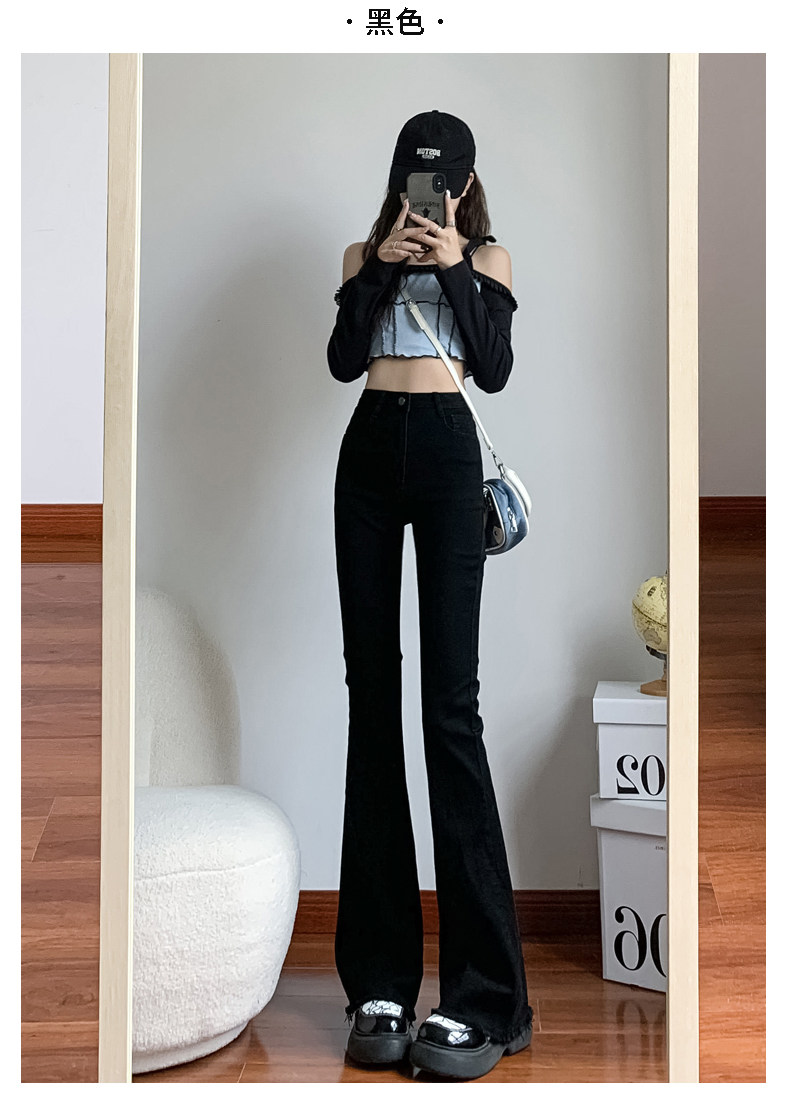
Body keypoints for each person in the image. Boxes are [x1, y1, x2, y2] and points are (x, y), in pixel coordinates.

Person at [327, 110, 533, 1081]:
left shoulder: (488, 259)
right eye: (419, 180)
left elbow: (493, 369)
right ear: (398, 178)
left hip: (449, 455)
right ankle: (378, 982)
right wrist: (379, 267)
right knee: (371, 698)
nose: (432, 196)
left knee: (451, 709)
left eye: (446, 181)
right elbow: (342, 361)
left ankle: (487, 998)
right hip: (367, 456)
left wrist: (452, 265)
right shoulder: (358, 254)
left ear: (466, 183)